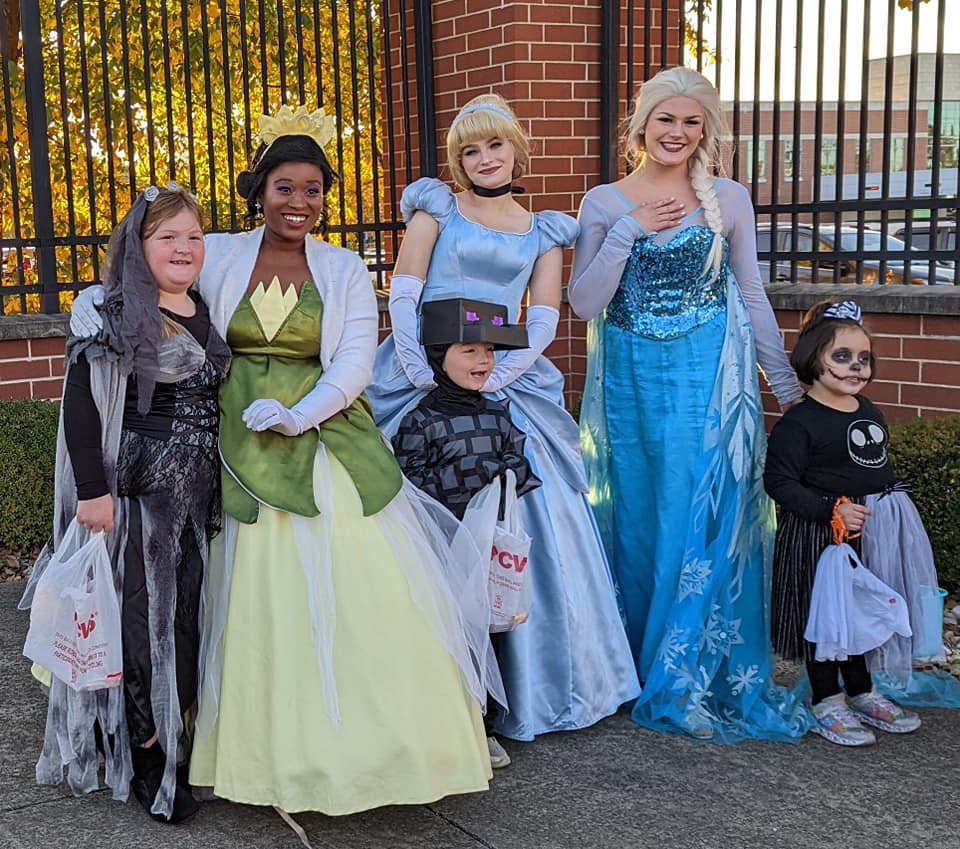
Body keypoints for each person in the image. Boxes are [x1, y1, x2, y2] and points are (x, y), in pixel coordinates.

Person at [69, 106, 501, 817]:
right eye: (284, 188)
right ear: (259, 193)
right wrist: (94, 299)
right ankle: (234, 746)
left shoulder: (343, 268)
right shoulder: (220, 253)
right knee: (239, 601)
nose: (299, 202)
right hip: (232, 446)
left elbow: (355, 360)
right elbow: (153, 278)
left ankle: (370, 749)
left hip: (326, 439)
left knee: (354, 594)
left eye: (313, 190)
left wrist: (302, 414)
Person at [368, 94, 641, 742]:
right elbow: (405, 289)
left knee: (531, 512)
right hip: (424, 372)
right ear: (458, 161)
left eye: (495, 145)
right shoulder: (437, 208)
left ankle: (528, 689)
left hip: (504, 376)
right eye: (471, 149)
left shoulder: (544, 230)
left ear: (517, 149)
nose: (485, 158)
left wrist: (503, 374)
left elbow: (541, 315)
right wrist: (416, 363)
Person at [568, 66, 807, 742]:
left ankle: (691, 669)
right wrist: (628, 231)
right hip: (631, 387)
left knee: (696, 511)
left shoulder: (729, 198)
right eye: (665, 119)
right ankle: (637, 664)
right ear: (641, 124)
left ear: (706, 130)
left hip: (708, 381)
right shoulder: (604, 201)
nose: (676, 132)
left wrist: (787, 389)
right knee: (638, 519)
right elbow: (582, 303)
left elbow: (752, 294)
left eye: (691, 121)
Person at [22, 184, 231, 822]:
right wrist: (93, 491)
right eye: (167, 237)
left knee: (184, 622)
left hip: (191, 497)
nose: (184, 248)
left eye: (194, 236)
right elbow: (82, 404)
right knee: (143, 628)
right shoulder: (117, 314)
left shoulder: (203, 304)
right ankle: (150, 757)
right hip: (136, 494)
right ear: (139, 246)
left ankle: (172, 733)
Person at [764, 299, 957, 746]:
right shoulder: (799, 423)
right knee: (826, 619)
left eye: (863, 358)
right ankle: (825, 698)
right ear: (813, 359)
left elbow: (870, 464)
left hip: (866, 535)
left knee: (861, 614)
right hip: (819, 538)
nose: (856, 366)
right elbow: (779, 482)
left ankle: (862, 690)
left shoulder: (867, 409)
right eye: (842, 356)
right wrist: (829, 508)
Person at [391, 297, 541, 767]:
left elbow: (519, 465)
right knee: (442, 633)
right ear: (439, 356)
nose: (483, 360)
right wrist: (467, 483)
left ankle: (484, 727)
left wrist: (504, 474)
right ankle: (441, 727)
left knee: (487, 636)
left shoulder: (498, 414)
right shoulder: (421, 420)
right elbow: (408, 482)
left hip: (487, 549)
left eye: (489, 351)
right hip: (439, 547)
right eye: (469, 350)